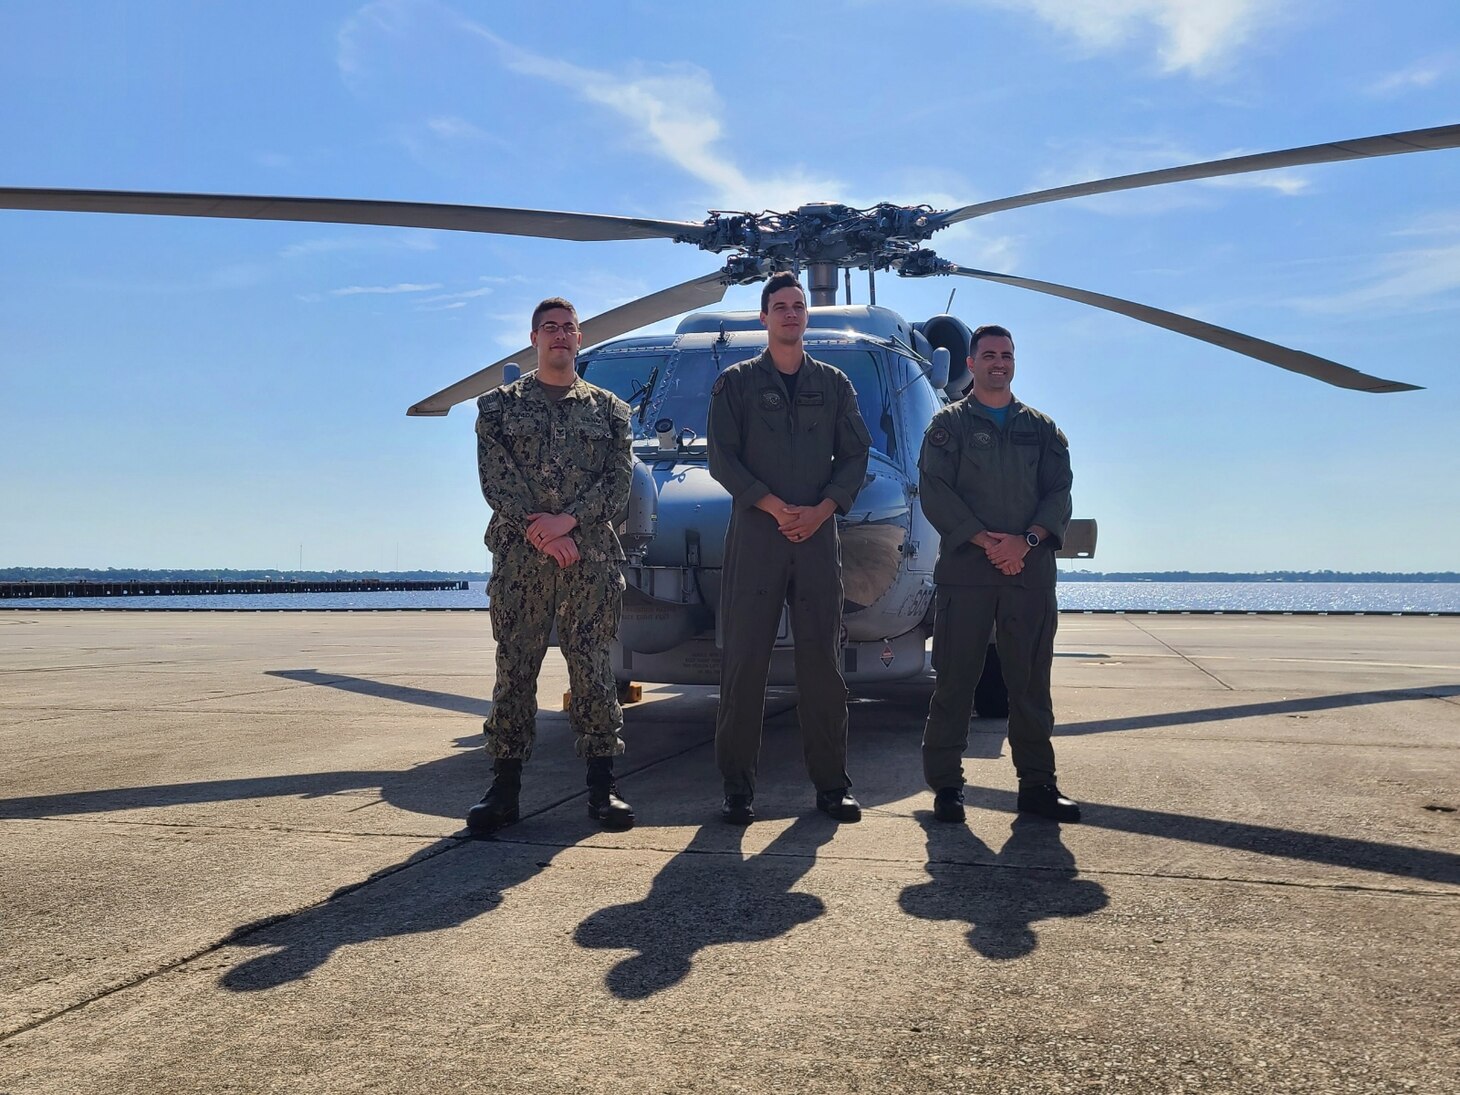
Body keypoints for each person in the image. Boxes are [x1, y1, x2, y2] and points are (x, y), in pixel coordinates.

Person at [706, 271, 872, 825]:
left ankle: (831, 785)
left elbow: (854, 456)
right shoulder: (736, 384)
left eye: (798, 306)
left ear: (806, 316)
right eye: (780, 306)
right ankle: (736, 788)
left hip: (818, 536)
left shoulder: (835, 383)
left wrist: (824, 509)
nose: (791, 314)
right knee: (744, 663)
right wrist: (775, 508)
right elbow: (722, 459)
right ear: (764, 318)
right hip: (758, 535)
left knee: (822, 664)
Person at [467, 297, 636, 835]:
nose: (560, 335)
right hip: (522, 559)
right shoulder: (496, 407)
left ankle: (602, 787)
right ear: (534, 337)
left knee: (593, 670)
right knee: (515, 669)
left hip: (588, 558)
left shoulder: (611, 411)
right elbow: (497, 481)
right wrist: (542, 533)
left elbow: (618, 483)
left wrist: (568, 525)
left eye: (569, 328)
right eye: (550, 328)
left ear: (580, 339)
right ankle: (504, 788)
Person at [917, 324, 1079, 823]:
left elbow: (1060, 494)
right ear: (971, 364)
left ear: (1014, 362)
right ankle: (947, 787)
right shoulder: (948, 428)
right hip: (967, 575)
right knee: (955, 684)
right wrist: (988, 541)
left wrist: (1024, 542)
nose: (998, 363)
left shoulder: (1043, 430)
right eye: (988, 355)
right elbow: (936, 491)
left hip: (1028, 576)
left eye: (1006, 355)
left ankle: (1037, 784)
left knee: (1030, 686)